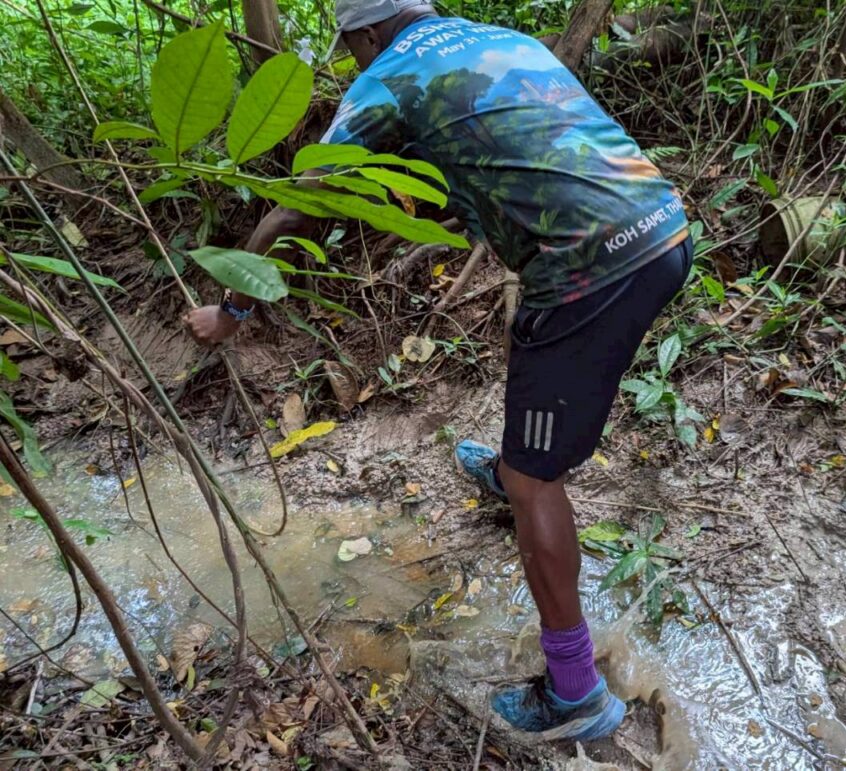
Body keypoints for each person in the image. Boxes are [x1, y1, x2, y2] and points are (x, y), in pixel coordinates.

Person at [185, 0, 692, 741]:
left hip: (589, 267)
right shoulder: (497, 40)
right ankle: (515, 467)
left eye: (350, 48)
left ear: (366, 33)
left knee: (537, 482)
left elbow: (296, 209)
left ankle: (576, 694)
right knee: (536, 338)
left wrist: (230, 310)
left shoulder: (387, 78)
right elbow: (523, 153)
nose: (354, 61)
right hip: (662, 225)